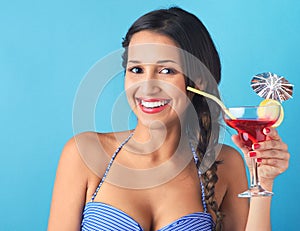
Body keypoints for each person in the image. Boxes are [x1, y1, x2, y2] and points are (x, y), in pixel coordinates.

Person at [47, 7, 290, 231]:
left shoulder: (226, 163)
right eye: (136, 70)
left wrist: (264, 183)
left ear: (199, 82)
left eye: (166, 71)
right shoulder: (84, 154)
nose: (148, 87)